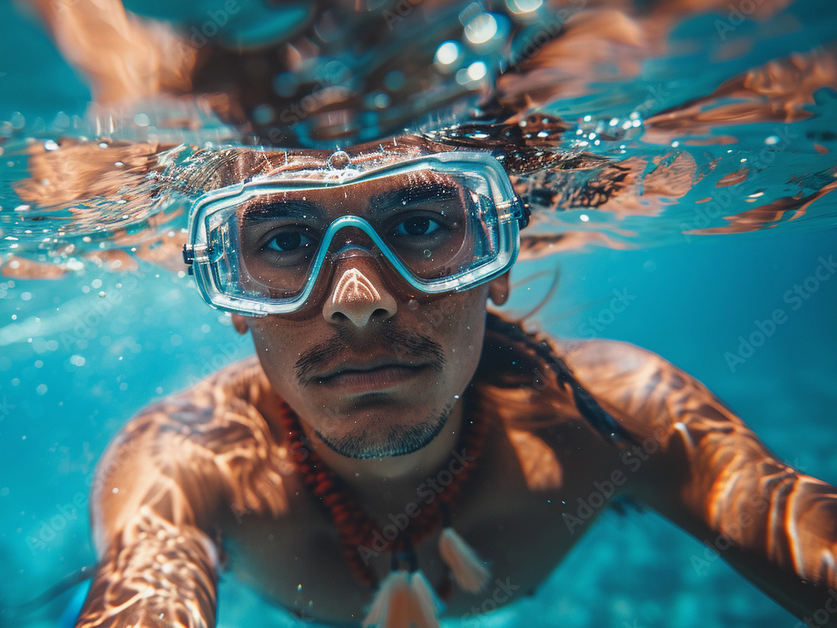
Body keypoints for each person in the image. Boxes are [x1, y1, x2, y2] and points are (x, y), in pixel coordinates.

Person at [71, 137, 837, 628]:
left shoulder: (618, 414)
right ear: (235, 300)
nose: (358, 301)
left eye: (419, 226)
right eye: (287, 241)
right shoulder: (187, 464)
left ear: (496, 264)